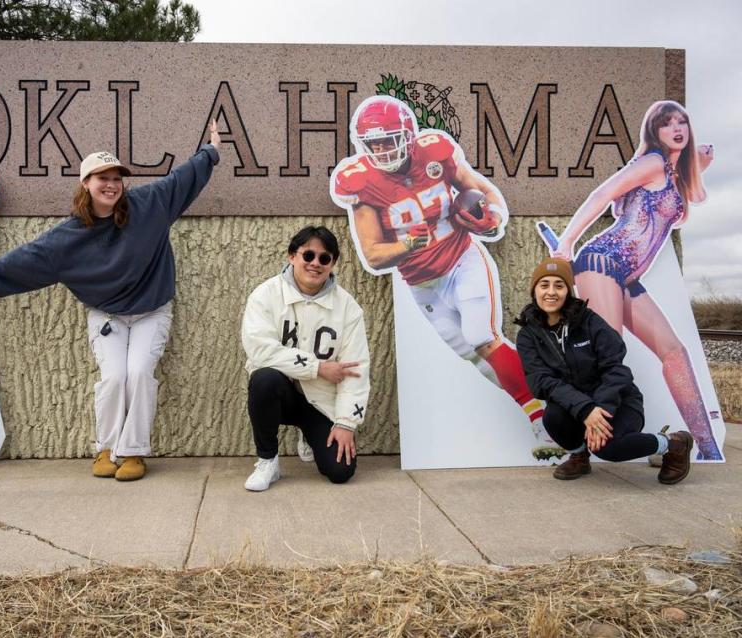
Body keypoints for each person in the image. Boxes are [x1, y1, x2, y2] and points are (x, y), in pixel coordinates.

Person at [0, 122, 222, 481]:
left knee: (139, 374)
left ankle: (134, 452)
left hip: (151, 311)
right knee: (113, 378)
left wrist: (211, 151)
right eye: (102, 178)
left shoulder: (149, 205)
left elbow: (184, 177)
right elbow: (22, 262)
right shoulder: (67, 238)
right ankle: (107, 448)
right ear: (86, 183)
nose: (111, 184)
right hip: (107, 315)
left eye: (116, 178)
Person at [330, 95, 560, 461]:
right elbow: (373, 253)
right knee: (473, 354)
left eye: (390, 139)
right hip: (421, 282)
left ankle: (552, 411)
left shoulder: (434, 151)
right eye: (375, 143)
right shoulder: (361, 181)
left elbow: (482, 190)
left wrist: (494, 216)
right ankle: (539, 411)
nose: (383, 149)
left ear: (407, 135)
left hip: (461, 259)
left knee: (482, 335)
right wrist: (406, 244)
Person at [552, 100, 720, 460]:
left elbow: (697, 196)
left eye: (682, 122)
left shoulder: (674, 175)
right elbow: (602, 194)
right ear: (654, 132)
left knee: (675, 353)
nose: (677, 128)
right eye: (667, 123)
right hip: (602, 261)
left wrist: (699, 166)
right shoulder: (652, 162)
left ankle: (706, 448)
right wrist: (567, 240)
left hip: (626, 277)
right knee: (607, 351)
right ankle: (581, 449)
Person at [515, 257, 693, 483]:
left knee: (608, 449)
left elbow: (616, 370)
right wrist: (585, 410)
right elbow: (541, 381)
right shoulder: (528, 335)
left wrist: (600, 409)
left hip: (617, 401)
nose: (551, 292)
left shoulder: (589, 322)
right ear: (535, 290)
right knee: (553, 418)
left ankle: (673, 443)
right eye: (544, 285)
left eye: (559, 286)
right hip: (577, 407)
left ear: (568, 291)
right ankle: (579, 456)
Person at [241, 226, 370, 491]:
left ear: (333, 264)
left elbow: (356, 368)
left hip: (320, 402)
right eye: (308, 255)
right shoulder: (265, 295)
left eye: (325, 258)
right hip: (281, 392)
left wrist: (346, 423)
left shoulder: (347, 307)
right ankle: (268, 461)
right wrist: (317, 367)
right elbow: (260, 350)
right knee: (263, 379)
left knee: (341, 471)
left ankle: (309, 435)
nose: (315, 264)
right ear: (291, 256)